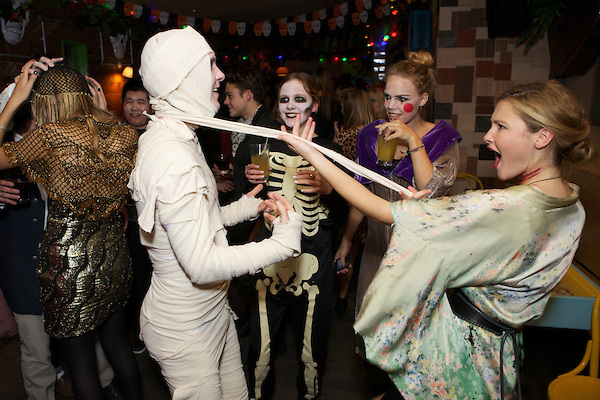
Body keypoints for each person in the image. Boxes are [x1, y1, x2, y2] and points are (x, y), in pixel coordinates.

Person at [278, 79, 595, 399]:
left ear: (542, 137)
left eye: (501, 126)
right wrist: (432, 217)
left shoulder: (502, 207)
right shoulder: (572, 206)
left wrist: (312, 153)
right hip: (501, 357)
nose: (488, 136)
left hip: (457, 362)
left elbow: (384, 211)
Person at [128, 27, 302, 399]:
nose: (220, 75)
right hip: (186, 330)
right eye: (210, 65)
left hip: (211, 312)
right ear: (180, 77)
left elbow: (192, 227)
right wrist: (281, 245)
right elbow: (202, 265)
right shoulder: (174, 158)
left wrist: (246, 206)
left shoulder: (176, 136)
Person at [0, 59, 141, 400]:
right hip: (114, 255)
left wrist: (13, 102)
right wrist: (102, 112)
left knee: (79, 360)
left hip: (70, 263)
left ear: (44, 102)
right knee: (117, 343)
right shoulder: (124, 133)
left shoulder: (49, 137)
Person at [335, 51, 462, 395]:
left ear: (423, 99)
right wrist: (347, 240)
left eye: (402, 98)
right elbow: (363, 194)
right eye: (388, 96)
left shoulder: (442, 139)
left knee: (413, 340)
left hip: (421, 256)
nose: (391, 106)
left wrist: (412, 141)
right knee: (374, 335)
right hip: (378, 250)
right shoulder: (370, 135)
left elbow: (430, 191)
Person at [244, 72, 345, 400]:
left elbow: (344, 212)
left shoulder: (329, 150)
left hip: (314, 256)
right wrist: (250, 181)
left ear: (314, 105)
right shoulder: (262, 143)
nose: (290, 106)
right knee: (260, 350)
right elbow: (252, 203)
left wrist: (328, 189)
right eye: (284, 99)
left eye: (299, 99)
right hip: (269, 256)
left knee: (312, 351)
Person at [332, 87, 375, 317]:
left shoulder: (346, 136)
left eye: (342, 106)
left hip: (348, 199)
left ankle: (341, 297)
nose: (340, 110)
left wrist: (335, 141)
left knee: (345, 250)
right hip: (371, 200)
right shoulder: (374, 135)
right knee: (364, 253)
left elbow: (334, 168)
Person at [119, 77, 153, 356]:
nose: (133, 107)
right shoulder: (115, 136)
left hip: (151, 221)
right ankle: (134, 330)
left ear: (150, 105)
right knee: (129, 280)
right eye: (129, 101)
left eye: (140, 101)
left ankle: (146, 331)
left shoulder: (157, 136)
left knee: (147, 278)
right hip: (122, 222)